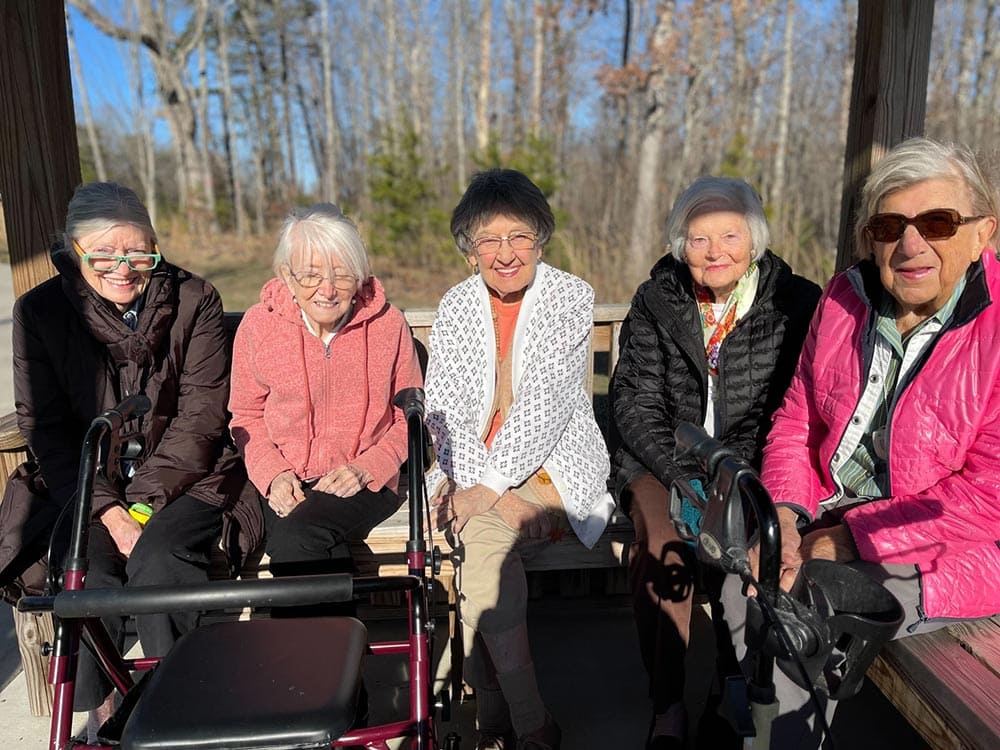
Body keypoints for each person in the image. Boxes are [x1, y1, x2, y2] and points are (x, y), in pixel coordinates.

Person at [721, 137, 1000, 749]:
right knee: (744, 579)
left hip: (946, 542)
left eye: (937, 222)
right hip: (831, 513)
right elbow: (798, 419)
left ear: (984, 233)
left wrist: (846, 540)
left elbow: (988, 495)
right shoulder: (845, 298)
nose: (910, 244)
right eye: (889, 225)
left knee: (807, 608)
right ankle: (764, 720)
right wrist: (788, 518)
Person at [12, 182, 255, 740]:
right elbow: (45, 429)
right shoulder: (40, 312)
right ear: (74, 252)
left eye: (139, 253)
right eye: (103, 255)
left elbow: (202, 417)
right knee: (87, 572)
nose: (123, 268)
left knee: (161, 561)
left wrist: (140, 509)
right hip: (85, 480)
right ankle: (106, 717)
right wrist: (109, 511)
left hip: (187, 477)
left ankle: (176, 702)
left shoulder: (195, 299)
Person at [610, 176, 820, 748]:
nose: (715, 251)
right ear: (682, 245)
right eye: (699, 239)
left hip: (749, 461)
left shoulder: (795, 303)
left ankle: (730, 695)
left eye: (729, 235)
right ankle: (668, 703)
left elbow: (796, 407)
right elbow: (634, 401)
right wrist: (680, 474)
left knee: (749, 541)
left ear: (754, 239)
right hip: (663, 460)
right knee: (659, 545)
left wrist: (733, 473)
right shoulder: (658, 300)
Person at [424, 168, 614, 750]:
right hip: (472, 469)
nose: (505, 253)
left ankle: (516, 722)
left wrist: (486, 489)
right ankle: (512, 723)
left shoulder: (569, 296)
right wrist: (458, 480)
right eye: (489, 238)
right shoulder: (457, 305)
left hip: (552, 468)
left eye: (519, 236)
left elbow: (547, 404)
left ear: (540, 238)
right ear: (469, 247)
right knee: (481, 547)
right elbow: (444, 406)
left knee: (476, 544)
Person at [229, 203, 422, 598]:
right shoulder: (259, 325)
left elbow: (411, 418)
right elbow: (245, 415)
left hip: (365, 480)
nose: (328, 289)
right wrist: (272, 475)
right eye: (311, 275)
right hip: (286, 478)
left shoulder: (388, 326)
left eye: (342, 274)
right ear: (287, 276)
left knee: (297, 538)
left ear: (360, 274)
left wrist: (367, 468)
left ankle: (310, 657)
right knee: (300, 538)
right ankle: (337, 654)